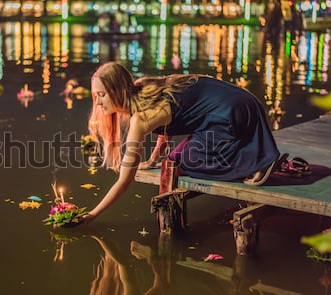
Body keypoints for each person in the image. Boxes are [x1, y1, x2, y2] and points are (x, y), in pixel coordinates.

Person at [81, 62, 280, 223]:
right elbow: (166, 126)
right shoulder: (141, 88)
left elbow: (124, 180)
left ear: (118, 91)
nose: (97, 102)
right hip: (242, 103)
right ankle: (257, 156)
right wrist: (152, 160)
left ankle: (256, 162)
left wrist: (92, 214)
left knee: (181, 164)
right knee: (174, 160)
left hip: (231, 114)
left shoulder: (140, 119)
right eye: (95, 95)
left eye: (101, 95)